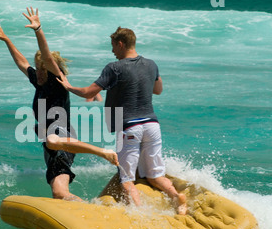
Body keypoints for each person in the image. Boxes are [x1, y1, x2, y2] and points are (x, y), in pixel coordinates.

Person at [0, 8, 118, 201]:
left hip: (62, 135)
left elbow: (48, 57)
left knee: (52, 139)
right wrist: (8, 40)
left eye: (42, 69)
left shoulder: (57, 79)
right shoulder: (38, 79)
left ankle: (104, 153)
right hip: (50, 143)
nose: (38, 72)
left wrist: (38, 29)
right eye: (37, 68)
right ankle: (86, 209)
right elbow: (21, 62)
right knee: (59, 193)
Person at [57, 27, 187, 215]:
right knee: (156, 175)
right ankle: (176, 197)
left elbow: (89, 92)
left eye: (113, 47)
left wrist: (68, 86)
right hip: (152, 125)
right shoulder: (151, 64)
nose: (112, 52)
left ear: (120, 44)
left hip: (129, 127)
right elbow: (158, 90)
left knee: (126, 180)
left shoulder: (114, 68)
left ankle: (141, 216)